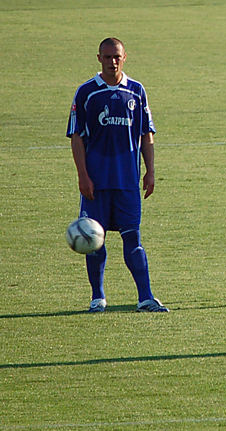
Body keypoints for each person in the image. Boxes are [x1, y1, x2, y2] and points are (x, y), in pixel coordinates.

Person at [66, 37, 168, 313]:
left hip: (127, 183)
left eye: (117, 57)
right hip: (95, 184)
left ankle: (145, 297)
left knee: (132, 239)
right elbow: (76, 136)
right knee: (93, 240)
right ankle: (97, 297)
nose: (113, 61)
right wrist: (82, 176)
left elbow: (147, 134)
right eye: (108, 56)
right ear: (98, 57)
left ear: (125, 58)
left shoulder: (136, 91)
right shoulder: (86, 92)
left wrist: (150, 171)